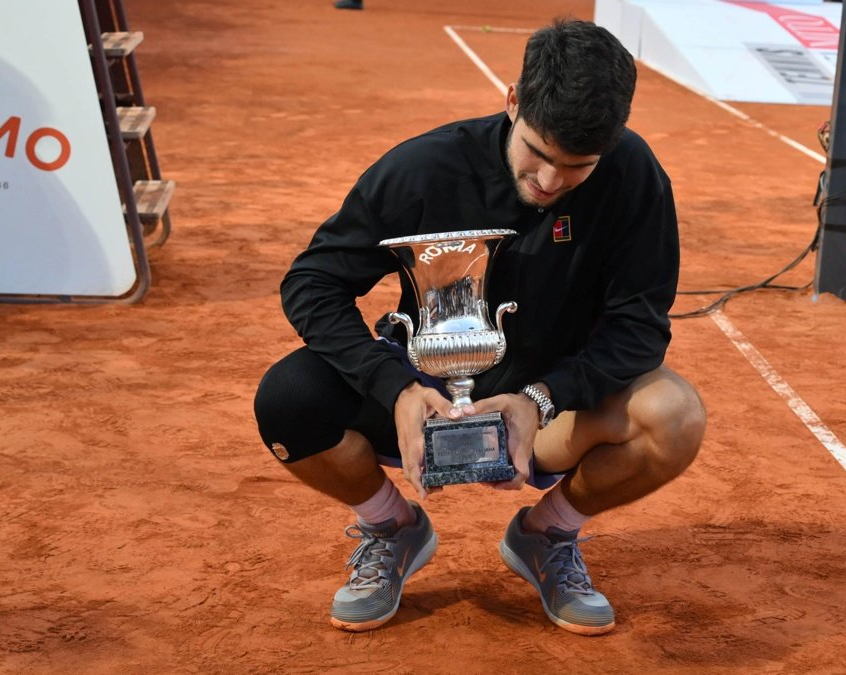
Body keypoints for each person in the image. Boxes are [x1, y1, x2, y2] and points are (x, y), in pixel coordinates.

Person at [254, 18, 705, 636]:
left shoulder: (634, 179)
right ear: (513, 100)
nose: (550, 182)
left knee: (675, 414)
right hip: (426, 394)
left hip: (555, 410)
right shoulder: (423, 169)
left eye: (577, 167)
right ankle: (392, 529)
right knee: (288, 400)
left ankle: (549, 535)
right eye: (539, 153)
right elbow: (312, 284)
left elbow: (639, 329)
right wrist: (397, 388)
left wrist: (540, 399)